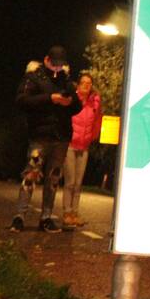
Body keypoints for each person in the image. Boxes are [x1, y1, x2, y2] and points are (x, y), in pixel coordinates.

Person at [9, 45, 82, 233]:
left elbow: (78, 107)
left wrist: (69, 101)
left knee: (53, 178)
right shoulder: (33, 77)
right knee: (31, 174)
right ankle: (19, 216)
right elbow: (21, 101)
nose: (57, 69)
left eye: (61, 65)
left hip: (61, 137)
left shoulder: (66, 81)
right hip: (39, 136)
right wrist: (50, 98)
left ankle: (46, 218)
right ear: (47, 60)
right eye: (54, 64)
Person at [61, 72, 102, 230]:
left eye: (89, 83)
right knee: (70, 182)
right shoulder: (73, 99)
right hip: (70, 146)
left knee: (78, 184)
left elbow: (97, 121)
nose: (86, 85)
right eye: (83, 82)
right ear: (78, 85)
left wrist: (92, 137)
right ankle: (67, 213)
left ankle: (75, 213)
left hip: (84, 147)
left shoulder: (94, 103)